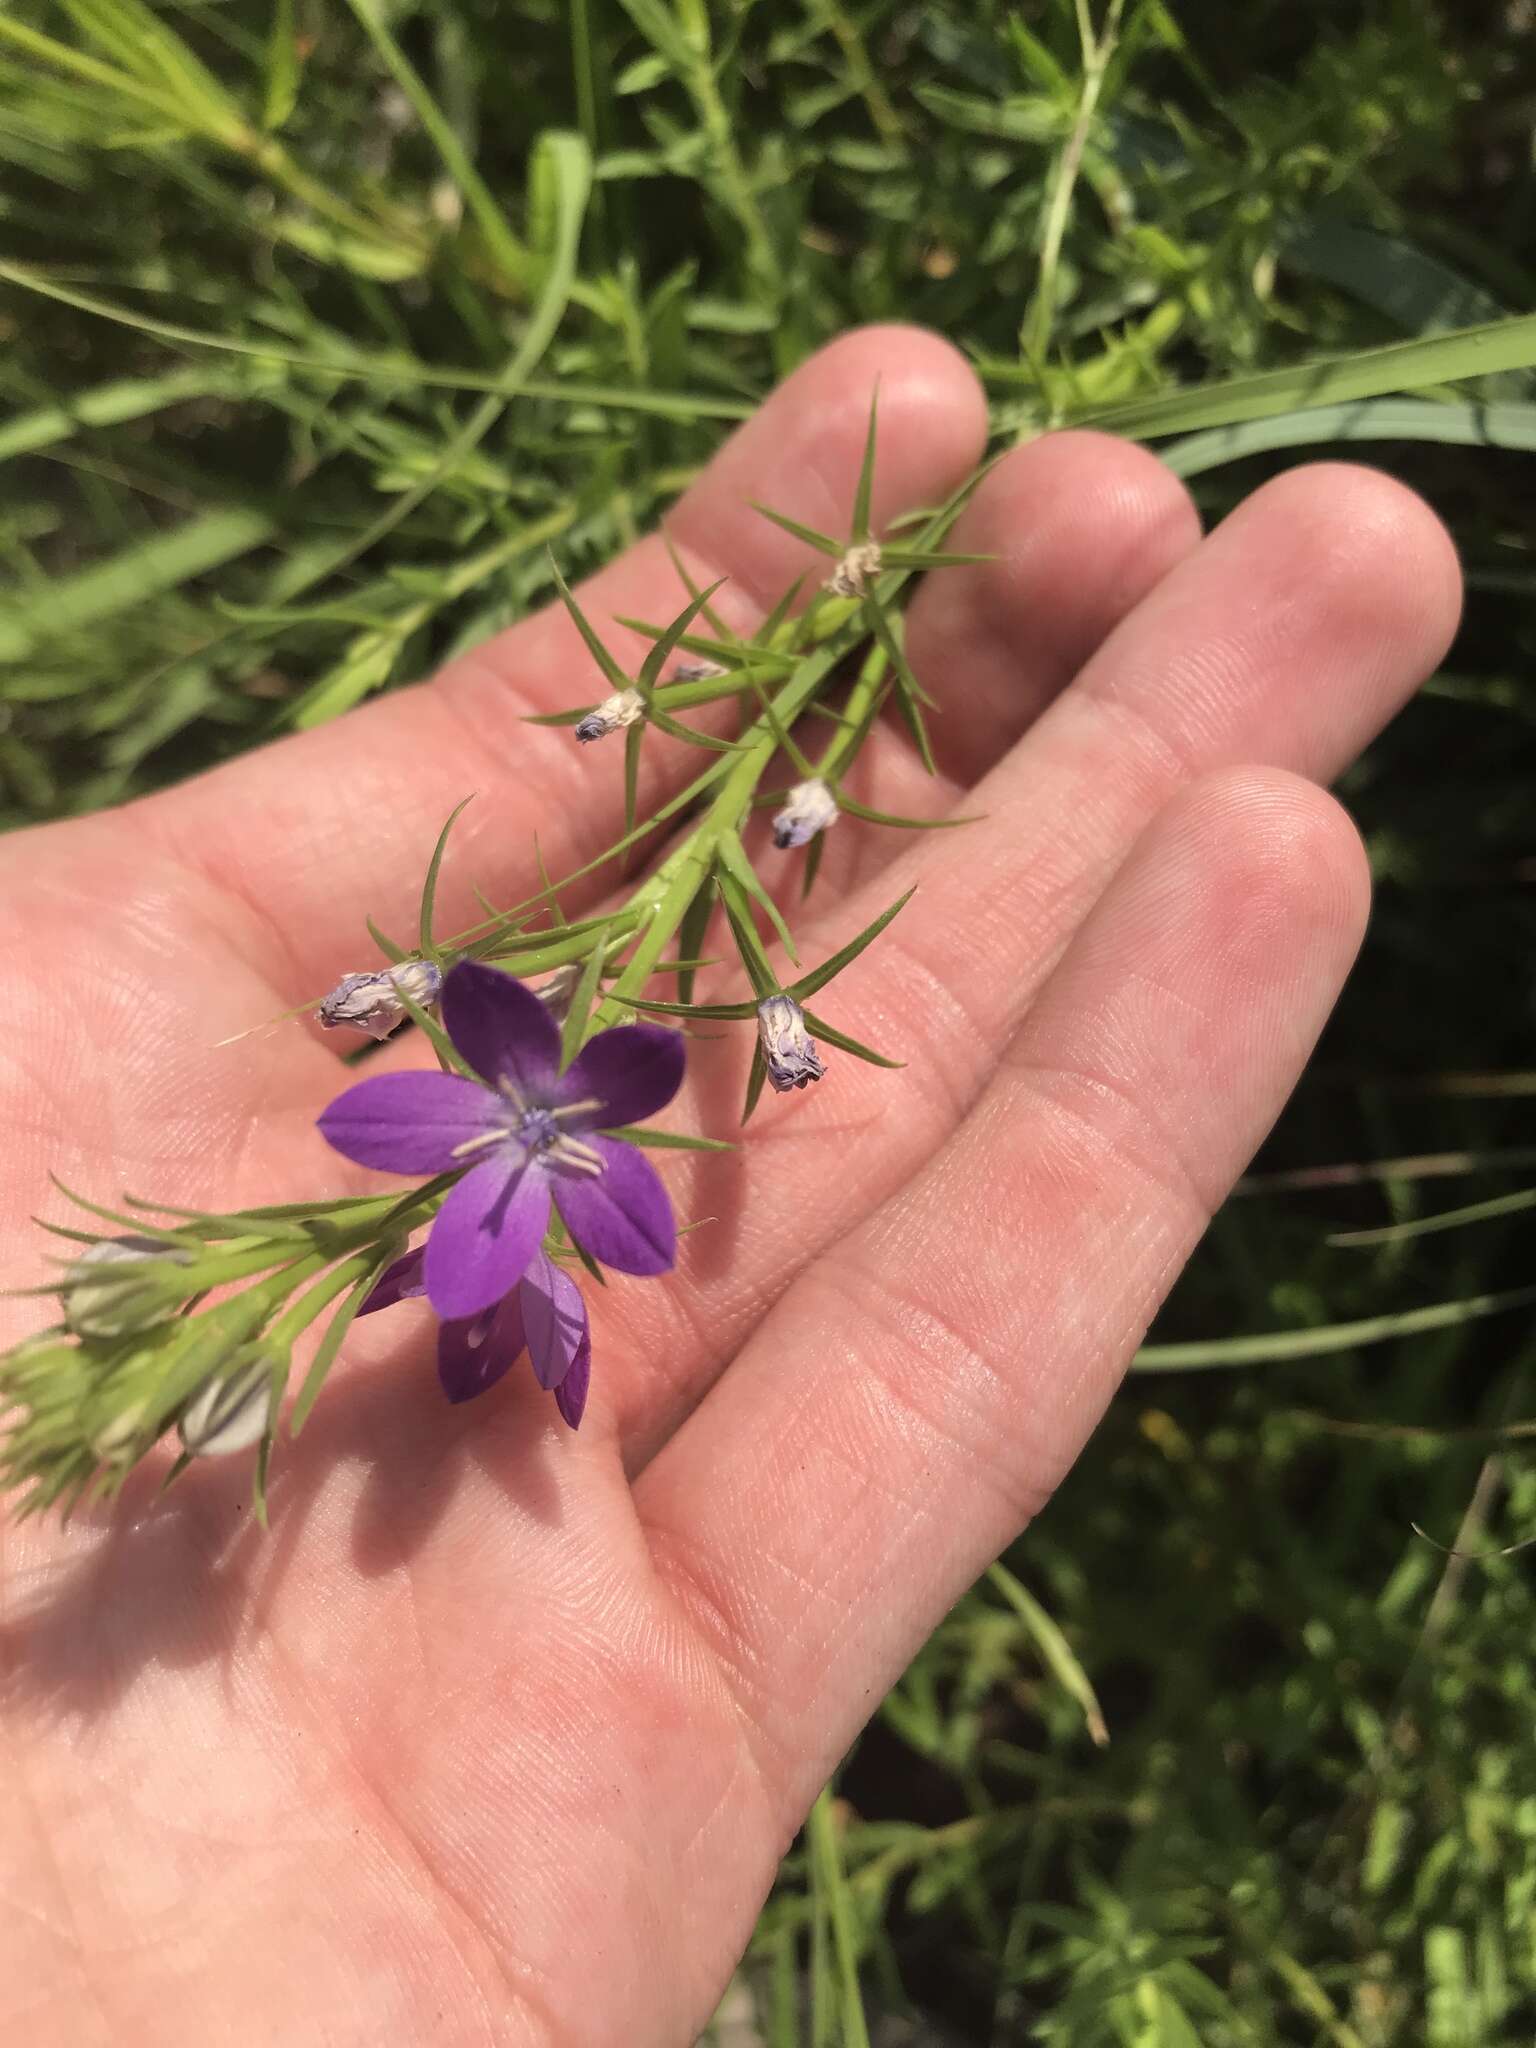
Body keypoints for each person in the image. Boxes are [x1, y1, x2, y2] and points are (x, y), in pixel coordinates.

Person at [0, 327, 1460, 2044]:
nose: (527, 1160)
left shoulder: (537, 1090)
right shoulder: (522, 1147)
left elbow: (539, 1077)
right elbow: (499, 1143)